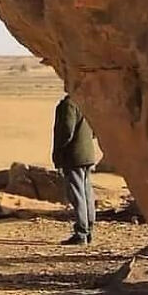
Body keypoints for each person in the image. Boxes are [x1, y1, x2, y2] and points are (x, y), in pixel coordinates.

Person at [52, 94, 96, 246]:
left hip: (74, 156)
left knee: (78, 195)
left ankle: (81, 233)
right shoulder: (88, 102)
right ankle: (88, 230)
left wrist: (58, 153)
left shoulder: (69, 104)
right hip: (87, 154)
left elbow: (65, 132)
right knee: (86, 193)